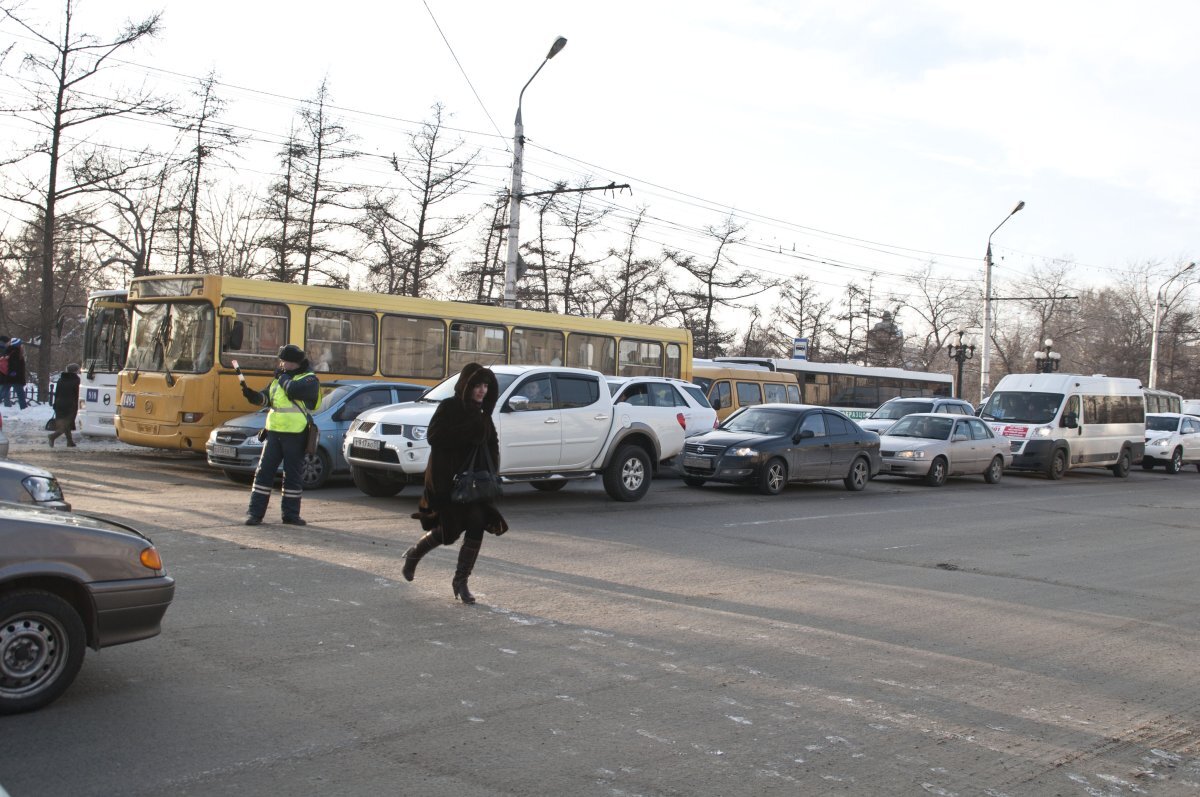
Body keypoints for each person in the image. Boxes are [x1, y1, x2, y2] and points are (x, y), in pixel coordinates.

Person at [402, 362, 507, 604]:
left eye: (485, 386)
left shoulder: (484, 416)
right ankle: (414, 554)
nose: (481, 390)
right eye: (476, 386)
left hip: (475, 486)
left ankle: (461, 581)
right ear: (465, 386)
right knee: (449, 533)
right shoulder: (449, 407)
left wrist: (492, 475)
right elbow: (435, 437)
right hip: (446, 481)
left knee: (478, 523)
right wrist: (470, 429)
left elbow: (493, 446)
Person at [239, 344, 320, 527]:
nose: (281, 364)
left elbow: (293, 390)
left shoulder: (309, 379)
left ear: (294, 363)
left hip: (296, 434)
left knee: (292, 475)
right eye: (281, 361)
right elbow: (266, 398)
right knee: (263, 473)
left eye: (284, 361)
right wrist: (253, 396)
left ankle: (291, 515)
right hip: (274, 434)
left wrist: (282, 377)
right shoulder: (277, 380)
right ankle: (254, 514)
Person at [48, 363, 81, 448]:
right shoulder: (76, 380)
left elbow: (57, 393)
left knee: (66, 424)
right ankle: (53, 436)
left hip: (59, 404)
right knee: (67, 424)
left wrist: (55, 404)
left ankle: (70, 442)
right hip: (70, 405)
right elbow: (77, 394)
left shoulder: (61, 380)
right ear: (75, 371)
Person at [2, 338, 28, 409]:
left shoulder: (11, 351)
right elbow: (14, 364)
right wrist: (13, 372)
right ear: (18, 345)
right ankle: (24, 408)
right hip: (15, 377)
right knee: (20, 394)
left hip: (11, 376)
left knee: (4, 391)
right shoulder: (16, 352)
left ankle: (24, 407)